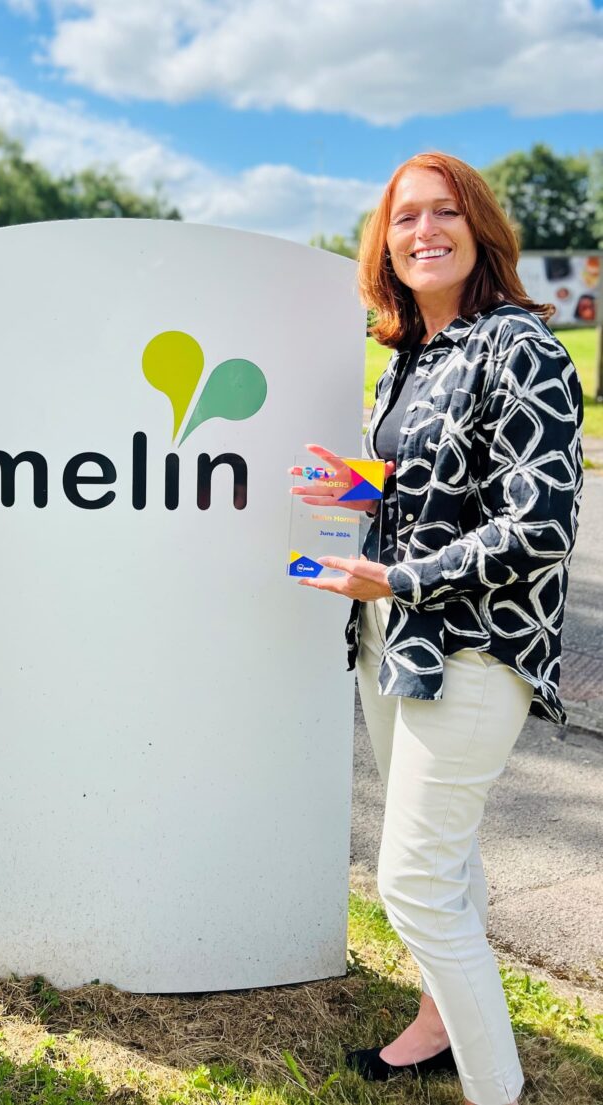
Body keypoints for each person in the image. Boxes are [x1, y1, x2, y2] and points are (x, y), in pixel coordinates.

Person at [292, 152, 583, 1105]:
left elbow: (538, 522)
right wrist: (354, 486)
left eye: (444, 213)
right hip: (391, 641)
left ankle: (499, 1088)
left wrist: (402, 573)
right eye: (406, 217)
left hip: (473, 651)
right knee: (446, 866)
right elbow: (431, 486)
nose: (425, 231)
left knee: (411, 885)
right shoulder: (411, 353)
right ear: (385, 241)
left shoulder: (521, 347)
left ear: (480, 229)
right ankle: (436, 1026)